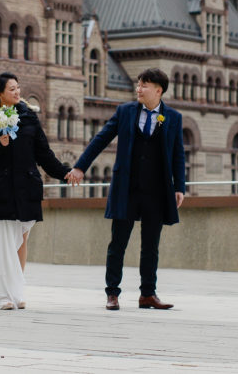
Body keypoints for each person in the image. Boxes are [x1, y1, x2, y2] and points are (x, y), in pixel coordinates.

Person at [66, 68, 185, 310]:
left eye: (144, 85)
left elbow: (178, 155)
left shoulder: (173, 117)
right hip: (126, 188)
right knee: (117, 243)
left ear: (159, 90)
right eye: (138, 84)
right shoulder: (125, 112)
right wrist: (80, 167)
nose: (138, 89)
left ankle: (148, 294)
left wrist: (179, 186)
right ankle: (112, 294)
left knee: (151, 245)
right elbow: (101, 139)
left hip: (157, 190)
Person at [0, 72, 70, 310]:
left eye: (18, 88)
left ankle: (16, 292)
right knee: (1, 243)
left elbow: (44, 154)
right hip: (2, 189)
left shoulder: (30, 119)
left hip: (27, 186)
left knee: (20, 240)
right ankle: (2, 296)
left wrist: (64, 173)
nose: (17, 92)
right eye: (12, 89)